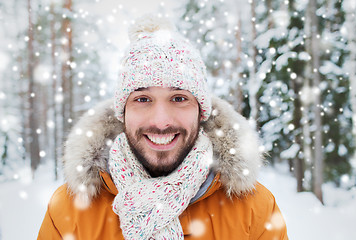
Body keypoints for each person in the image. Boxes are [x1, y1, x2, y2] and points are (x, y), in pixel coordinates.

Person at [38, 15, 288, 240]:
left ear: (201, 112)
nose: (161, 121)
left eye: (179, 98)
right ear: (122, 112)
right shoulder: (69, 211)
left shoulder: (255, 210)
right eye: (143, 99)